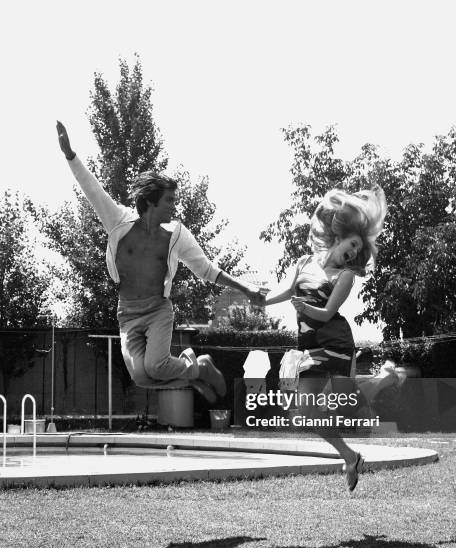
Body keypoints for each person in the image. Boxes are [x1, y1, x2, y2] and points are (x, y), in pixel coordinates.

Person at [56, 121, 264, 402]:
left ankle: (201, 366)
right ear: (151, 202)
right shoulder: (118, 221)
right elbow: (92, 190)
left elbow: (206, 270)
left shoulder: (177, 235)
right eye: (169, 201)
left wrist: (246, 289)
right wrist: (70, 154)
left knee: (155, 366)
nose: (173, 206)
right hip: (127, 314)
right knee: (141, 377)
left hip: (157, 311)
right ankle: (195, 372)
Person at [264, 186, 390, 491]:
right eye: (352, 244)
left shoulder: (345, 276)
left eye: (358, 250)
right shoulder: (303, 263)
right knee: (305, 413)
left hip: (334, 343)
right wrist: (259, 299)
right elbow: (282, 292)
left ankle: (381, 380)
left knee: (339, 405)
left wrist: (304, 306)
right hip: (309, 345)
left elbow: (326, 312)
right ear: (339, 236)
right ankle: (350, 457)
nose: (353, 252)